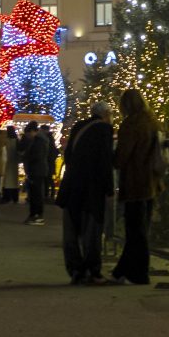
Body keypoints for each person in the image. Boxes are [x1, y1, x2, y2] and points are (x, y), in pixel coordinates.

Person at [56, 102, 115, 284]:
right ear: (105, 114)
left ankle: (75, 270)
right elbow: (105, 159)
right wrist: (109, 187)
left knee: (72, 228)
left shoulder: (79, 126)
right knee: (92, 229)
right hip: (92, 186)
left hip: (73, 184)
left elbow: (69, 154)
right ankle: (92, 270)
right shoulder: (104, 129)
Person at [111, 89, 161, 285]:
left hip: (135, 181)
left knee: (135, 230)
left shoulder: (131, 125)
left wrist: (113, 159)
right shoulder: (153, 121)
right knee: (141, 229)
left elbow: (123, 156)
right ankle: (124, 270)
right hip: (152, 181)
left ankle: (138, 273)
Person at [22, 124, 54, 225]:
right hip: (37, 170)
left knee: (36, 194)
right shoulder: (39, 140)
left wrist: (27, 157)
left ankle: (37, 215)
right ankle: (34, 215)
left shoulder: (39, 141)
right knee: (35, 193)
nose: (27, 136)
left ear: (32, 131)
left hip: (37, 170)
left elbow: (37, 156)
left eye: (27, 134)